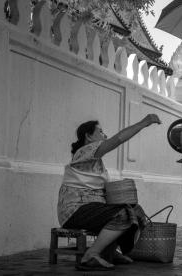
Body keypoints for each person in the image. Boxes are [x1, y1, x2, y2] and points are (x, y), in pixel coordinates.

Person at [57, 114, 161, 271]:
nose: (104, 135)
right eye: (100, 131)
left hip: (91, 209)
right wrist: (143, 123)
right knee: (124, 214)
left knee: (135, 210)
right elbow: (118, 139)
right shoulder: (84, 152)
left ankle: (109, 252)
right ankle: (90, 255)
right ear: (88, 136)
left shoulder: (96, 161)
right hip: (74, 212)